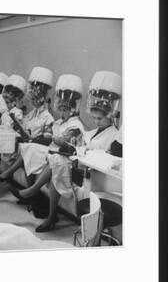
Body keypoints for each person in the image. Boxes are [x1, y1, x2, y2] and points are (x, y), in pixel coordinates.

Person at [33, 71, 121, 232]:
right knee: (57, 163)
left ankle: (48, 211)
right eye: (94, 118)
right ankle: (50, 214)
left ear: (111, 116)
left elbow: (106, 158)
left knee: (57, 163)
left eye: (99, 119)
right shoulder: (94, 131)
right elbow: (82, 142)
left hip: (95, 175)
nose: (96, 122)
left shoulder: (114, 135)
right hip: (82, 168)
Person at [0, 66, 55, 181]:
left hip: (38, 147)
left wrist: (34, 138)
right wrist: (18, 125)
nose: (33, 102)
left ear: (43, 99)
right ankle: (9, 179)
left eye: (35, 99)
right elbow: (25, 126)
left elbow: (48, 137)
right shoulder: (33, 113)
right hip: (28, 142)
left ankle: (9, 175)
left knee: (28, 149)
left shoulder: (48, 117)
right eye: (32, 99)